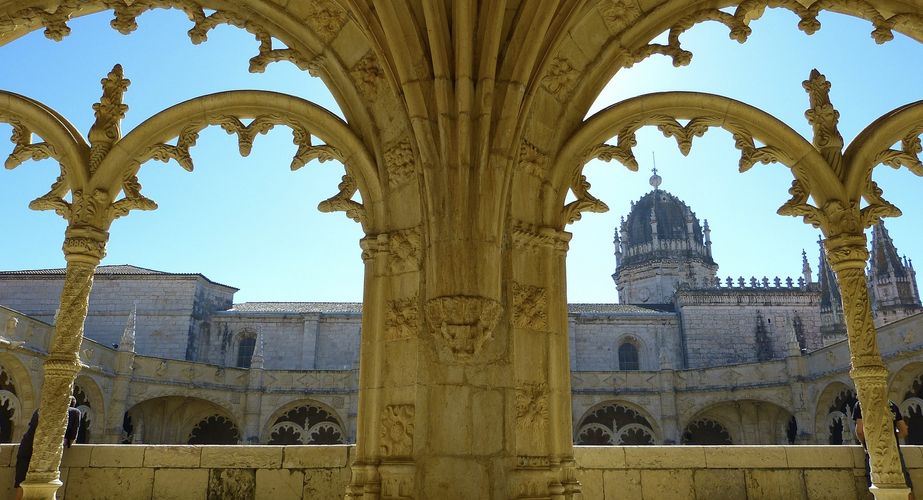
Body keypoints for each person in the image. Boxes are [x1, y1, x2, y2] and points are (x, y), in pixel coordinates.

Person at [14, 397, 82, 500]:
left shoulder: (40, 409)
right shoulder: (74, 412)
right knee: (45, 482)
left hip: (26, 445)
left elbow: (31, 426)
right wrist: (65, 441)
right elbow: (72, 438)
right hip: (47, 450)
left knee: (21, 479)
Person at [853, 398, 914, 499]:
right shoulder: (891, 405)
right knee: (906, 486)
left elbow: (860, 431)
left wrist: (866, 445)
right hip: (895, 452)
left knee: (878, 488)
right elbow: (904, 431)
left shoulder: (862, 404)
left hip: (874, 451)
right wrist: (890, 436)